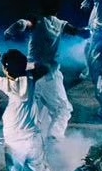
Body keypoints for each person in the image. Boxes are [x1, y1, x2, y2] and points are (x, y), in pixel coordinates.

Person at [7, 11, 73, 140]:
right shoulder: (52, 23)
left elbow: (22, 23)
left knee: (38, 110)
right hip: (47, 75)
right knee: (63, 109)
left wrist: (10, 31)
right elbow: (75, 31)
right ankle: (54, 138)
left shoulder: (40, 22)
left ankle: (30, 136)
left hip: (32, 75)